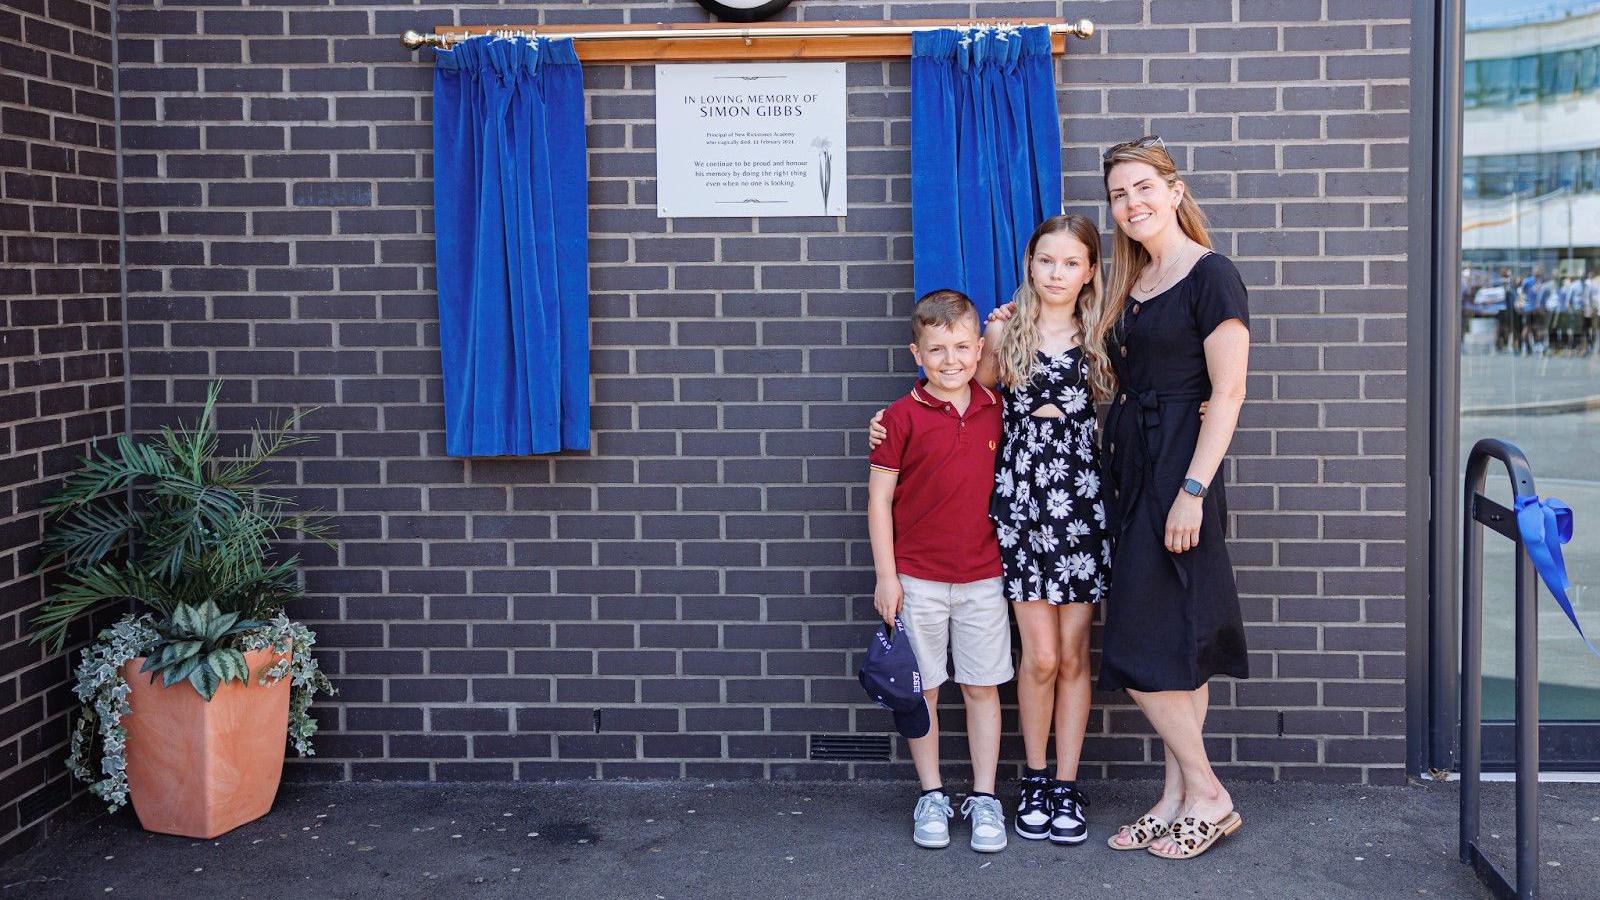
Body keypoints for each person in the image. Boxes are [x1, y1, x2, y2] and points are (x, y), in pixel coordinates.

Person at [870, 216, 1114, 846]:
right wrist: (889, 426)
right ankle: (1031, 781)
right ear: (1029, 263)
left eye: (1070, 262)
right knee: (1039, 657)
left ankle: (1064, 784)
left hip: (1081, 506)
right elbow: (957, 399)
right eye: (1045, 260)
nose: (1056, 273)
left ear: (1089, 270)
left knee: (1073, 657)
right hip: (1024, 508)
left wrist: (1200, 401)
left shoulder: (1106, 330)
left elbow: (1147, 393)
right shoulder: (1005, 330)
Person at [1096, 136, 1251, 861]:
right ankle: (1176, 797)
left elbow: (1228, 392)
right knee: (1173, 646)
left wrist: (1192, 489)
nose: (1131, 204)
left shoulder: (1211, 275)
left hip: (1177, 476)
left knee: (1138, 638)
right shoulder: (1137, 281)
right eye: (1119, 195)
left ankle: (1209, 792)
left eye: (1142, 188)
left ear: (1175, 188)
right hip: (1135, 469)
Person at [867, 289, 1013, 854]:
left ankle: (984, 797)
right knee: (922, 691)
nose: (950, 361)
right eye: (936, 350)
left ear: (978, 349)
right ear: (916, 353)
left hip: (984, 578)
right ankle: (931, 793)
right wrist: (887, 575)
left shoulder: (997, 408)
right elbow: (879, 501)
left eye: (960, 347)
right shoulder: (899, 418)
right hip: (918, 579)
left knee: (981, 688)